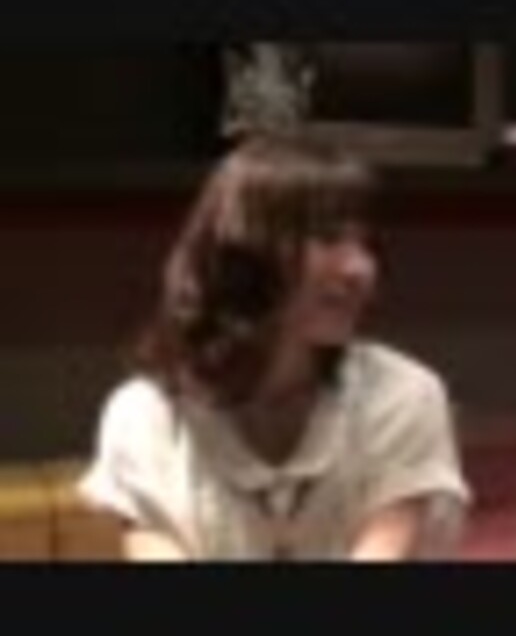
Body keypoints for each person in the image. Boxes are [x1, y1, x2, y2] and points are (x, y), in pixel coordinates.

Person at [78, 133, 471, 561]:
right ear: (243, 251)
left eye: (365, 244)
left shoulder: (401, 395)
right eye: (328, 239)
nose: (360, 269)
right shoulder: (144, 416)